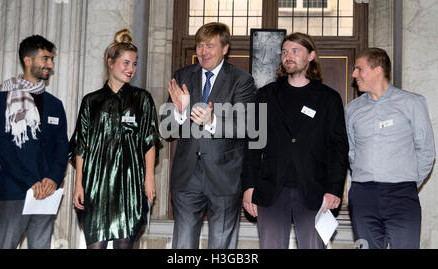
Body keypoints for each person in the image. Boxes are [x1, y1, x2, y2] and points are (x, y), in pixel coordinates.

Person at [241, 32, 349, 249]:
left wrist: (334, 188)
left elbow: (338, 148)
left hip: (314, 191)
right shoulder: (265, 95)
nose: (288, 56)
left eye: (295, 51)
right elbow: (252, 144)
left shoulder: (329, 98)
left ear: (311, 56)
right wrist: (248, 186)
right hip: (270, 190)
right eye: (284, 52)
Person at [162, 22, 256, 249]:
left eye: (210, 46)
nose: (203, 52)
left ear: (225, 48)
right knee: (183, 246)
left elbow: (246, 126)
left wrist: (212, 122)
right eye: (200, 46)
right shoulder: (182, 75)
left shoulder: (241, 80)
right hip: (187, 176)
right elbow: (166, 128)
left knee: (222, 247)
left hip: (225, 177)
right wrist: (180, 112)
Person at [69, 29, 161, 249]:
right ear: (110, 62)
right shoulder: (91, 101)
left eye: (134, 64)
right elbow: (81, 144)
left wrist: (149, 178)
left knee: (124, 241)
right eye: (126, 63)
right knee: (96, 243)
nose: (131, 69)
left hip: (129, 181)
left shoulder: (142, 99)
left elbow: (149, 140)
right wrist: (78, 184)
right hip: (96, 182)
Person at [345, 48, 435, 249]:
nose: (354, 74)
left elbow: (426, 150)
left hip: (401, 194)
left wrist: (407, 181)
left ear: (378, 70)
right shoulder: (352, 109)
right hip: (363, 195)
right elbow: (351, 152)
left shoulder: (412, 102)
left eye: (359, 69)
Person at [0, 35, 69, 249]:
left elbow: (62, 146)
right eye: (46, 59)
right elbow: (0, 144)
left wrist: (52, 179)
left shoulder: (55, 104)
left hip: (47, 193)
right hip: (15, 190)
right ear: (28, 60)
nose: (50, 65)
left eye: (52, 59)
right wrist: (30, 181)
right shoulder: (2, 97)